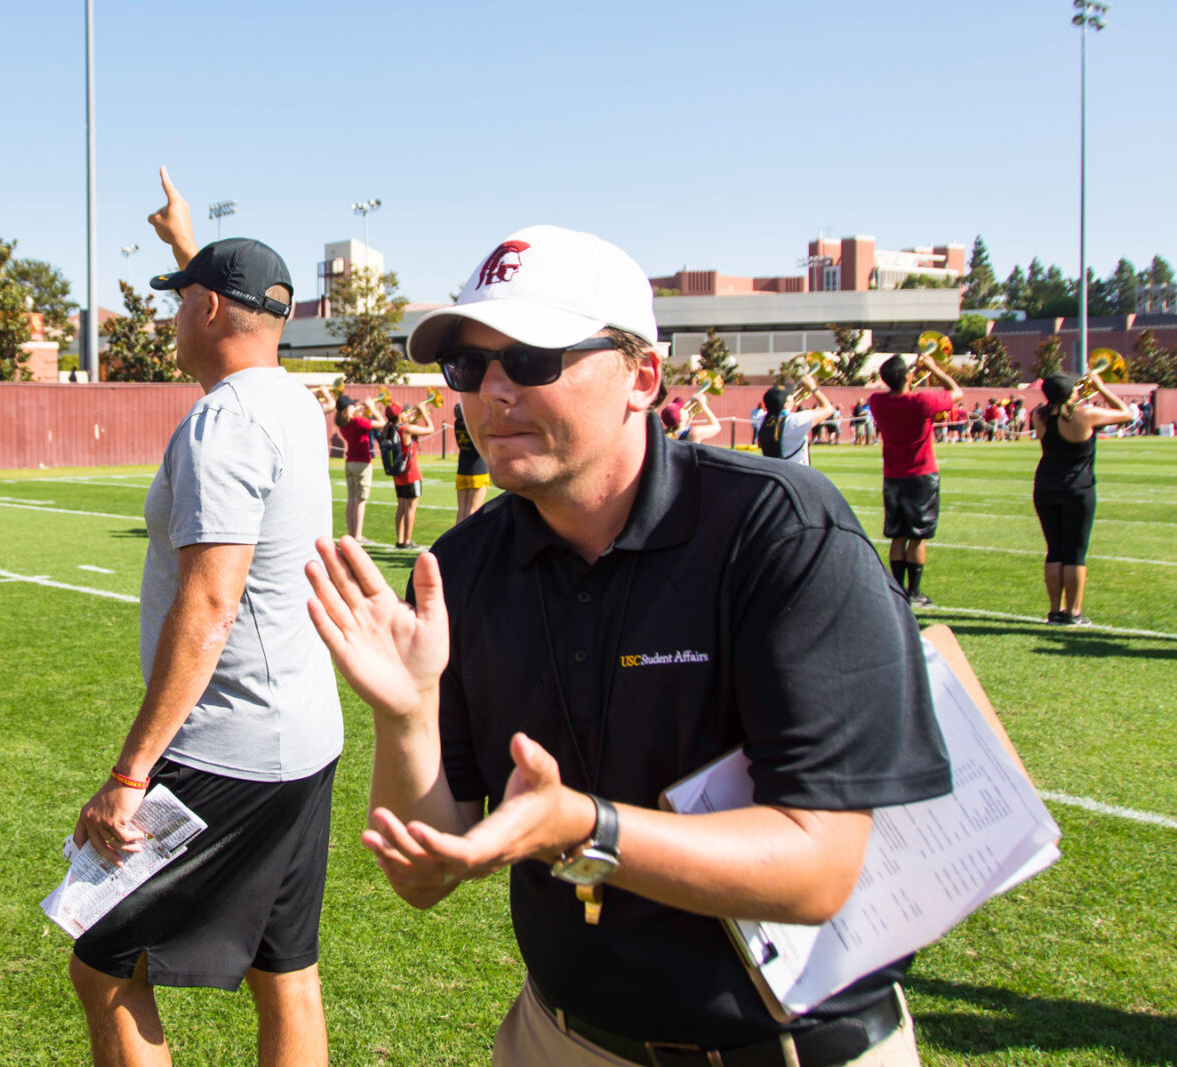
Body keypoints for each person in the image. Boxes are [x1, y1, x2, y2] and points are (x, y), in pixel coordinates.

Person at [306, 224, 951, 1066]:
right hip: (563, 1036)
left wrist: (586, 826)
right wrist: (406, 712)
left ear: (642, 376)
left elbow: (817, 864)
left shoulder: (776, 530)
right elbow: (422, 878)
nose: (494, 391)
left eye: (533, 357)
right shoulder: (460, 571)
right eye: (468, 366)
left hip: (792, 1048)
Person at [69, 168, 342, 1067]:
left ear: (211, 313)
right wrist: (187, 249)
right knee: (285, 968)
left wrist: (130, 774)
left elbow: (212, 603)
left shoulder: (220, 423)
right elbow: (239, 317)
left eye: (180, 302)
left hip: (225, 745)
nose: (171, 317)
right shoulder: (289, 400)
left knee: (102, 956)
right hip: (302, 734)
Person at [1031, 371, 1133, 626]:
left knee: (1054, 550)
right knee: (1075, 552)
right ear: (1070, 392)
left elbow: (1056, 415)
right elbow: (1127, 413)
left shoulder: (1039, 415)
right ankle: (1074, 613)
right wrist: (1101, 387)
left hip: (1045, 486)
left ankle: (1055, 611)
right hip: (1078, 488)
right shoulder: (1085, 414)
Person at [868, 353, 962, 607]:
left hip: (893, 476)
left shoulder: (876, 401)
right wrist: (934, 369)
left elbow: (891, 392)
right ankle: (915, 592)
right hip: (921, 475)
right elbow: (956, 392)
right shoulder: (922, 401)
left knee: (897, 536)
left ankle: (897, 591)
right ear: (908, 376)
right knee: (917, 536)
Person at [313, 387, 382, 544]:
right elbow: (381, 423)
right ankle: (358, 535)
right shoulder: (358, 421)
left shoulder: (345, 424)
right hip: (363, 462)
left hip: (350, 462)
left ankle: (351, 534)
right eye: (352, 405)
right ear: (348, 409)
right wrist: (372, 409)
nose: (354, 406)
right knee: (360, 500)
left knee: (351, 499)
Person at [383, 401, 435, 549]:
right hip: (411, 473)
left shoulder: (389, 429)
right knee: (411, 508)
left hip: (398, 474)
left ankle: (399, 540)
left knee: (401, 507)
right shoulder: (406, 429)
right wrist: (423, 412)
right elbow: (430, 429)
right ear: (399, 415)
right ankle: (408, 540)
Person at [756, 375, 833, 465]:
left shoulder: (763, 420)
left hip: (774, 471)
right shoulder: (795, 421)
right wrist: (813, 388)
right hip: (796, 473)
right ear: (786, 403)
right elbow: (828, 409)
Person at [452, 402, 491, 524]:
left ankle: (458, 540)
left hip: (462, 468)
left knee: (462, 511)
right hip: (478, 469)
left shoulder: (457, 424)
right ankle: (469, 541)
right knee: (473, 510)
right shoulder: (474, 426)